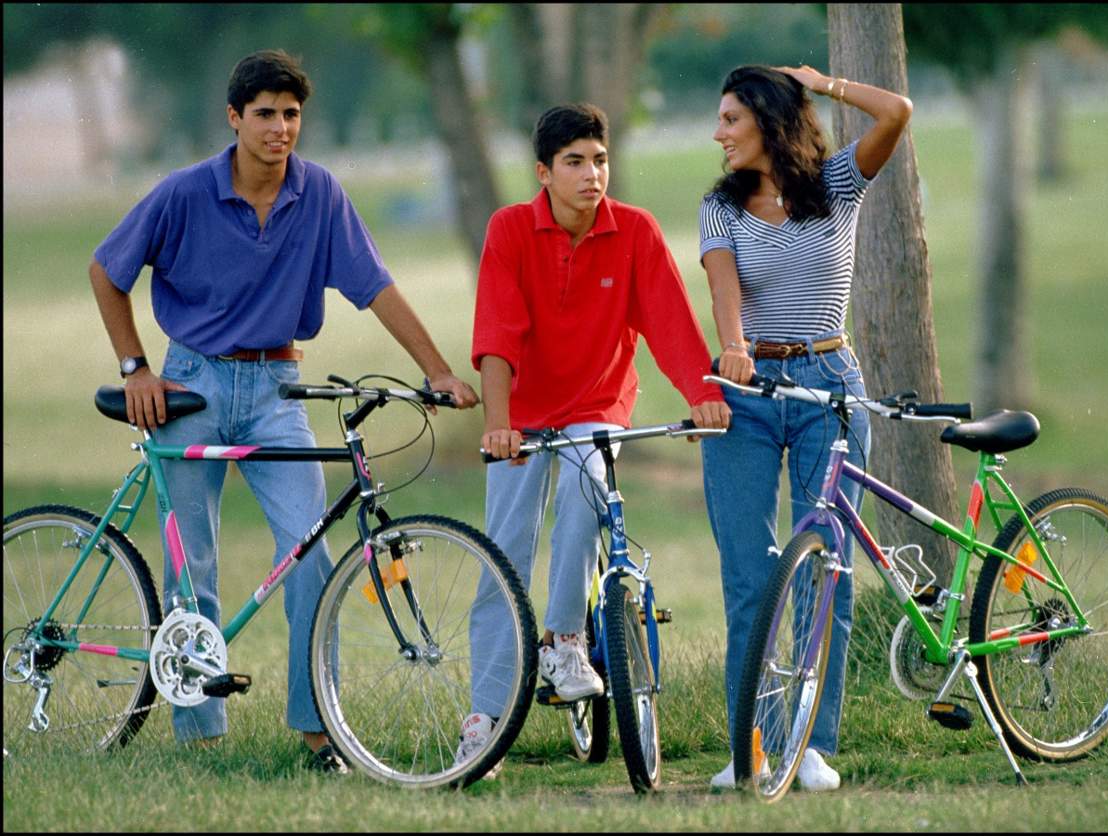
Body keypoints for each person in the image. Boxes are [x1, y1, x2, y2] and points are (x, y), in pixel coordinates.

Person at [88, 49, 478, 773]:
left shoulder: (320, 193)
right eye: (264, 113)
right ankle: (200, 736)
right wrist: (135, 365)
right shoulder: (182, 193)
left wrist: (437, 370)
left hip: (277, 391)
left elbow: (376, 287)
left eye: (291, 114)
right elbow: (106, 271)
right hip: (190, 388)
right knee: (191, 565)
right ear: (234, 118)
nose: (279, 127)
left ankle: (316, 732)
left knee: (311, 556)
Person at [458, 103, 731, 774]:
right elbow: (497, 333)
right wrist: (499, 423)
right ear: (543, 172)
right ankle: (485, 722)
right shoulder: (511, 229)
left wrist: (704, 395)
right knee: (505, 557)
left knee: (588, 485)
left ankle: (565, 640)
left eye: (600, 160)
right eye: (575, 163)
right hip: (520, 413)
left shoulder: (633, 232)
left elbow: (669, 323)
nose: (592, 175)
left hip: (597, 405)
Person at [699, 64, 912, 791]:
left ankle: (812, 745)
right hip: (750, 390)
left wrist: (826, 83)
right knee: (749, 577)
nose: (719, 132)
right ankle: (748, 748)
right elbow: (723, 285)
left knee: (827, 571)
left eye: (731, 118)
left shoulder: (837, 185)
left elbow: (897, 113)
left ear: (765, 117)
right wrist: (733, 347)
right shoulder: (719, 207)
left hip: (830, 386)